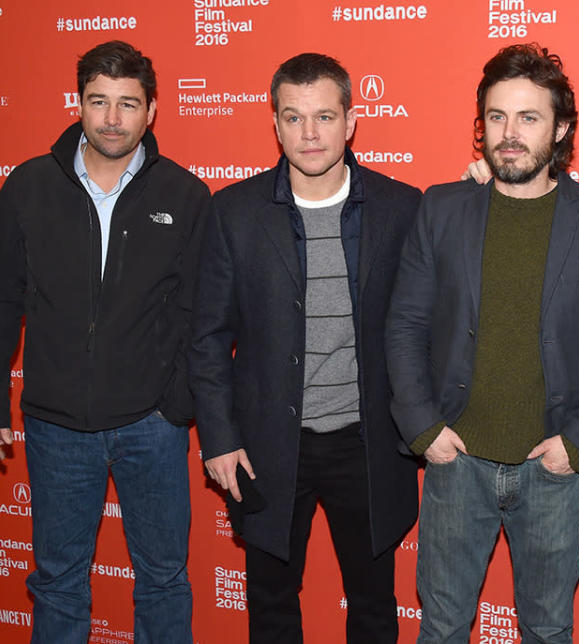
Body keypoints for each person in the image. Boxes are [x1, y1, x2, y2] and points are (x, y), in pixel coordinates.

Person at [386, 43, 579, 643]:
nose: (510, 134)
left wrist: (577, 446)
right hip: (456, 461)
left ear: (561, 127)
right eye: (496, 117)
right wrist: (423, 429)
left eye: (528, 117)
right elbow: (405, 324)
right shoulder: (442, 209)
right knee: (441, 627)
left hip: (552, 469)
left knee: (548, 629)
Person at [0, 40, 209, 643]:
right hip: (55, 426)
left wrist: (174, 405)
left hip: (152, 427)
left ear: (152, 110)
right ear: (78, 103)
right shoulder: (27, 186)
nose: (111, 118)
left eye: (127, 104)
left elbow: (199, 312)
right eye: (98, 101)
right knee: (57, 582)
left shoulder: (184, 195)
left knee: (163, 578)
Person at [190, 53, 420, 643]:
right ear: (275, 123)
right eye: (293, 117)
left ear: (350, 121)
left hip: (367, 444)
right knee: (270, 607)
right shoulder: (233, 213)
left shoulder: (403, 209)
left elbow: (429, 319)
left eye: (324, 116)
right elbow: (208, 337)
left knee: (373, 606)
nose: (309, 133)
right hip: (267, 446)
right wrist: (219, 437)